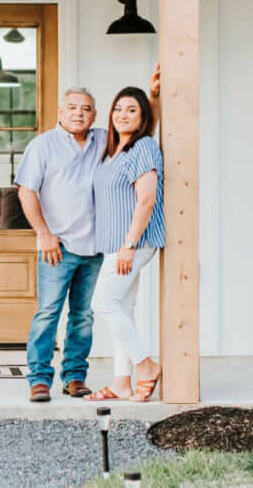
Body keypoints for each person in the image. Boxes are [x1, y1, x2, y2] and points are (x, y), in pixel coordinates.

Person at [15, 66, 159, 403]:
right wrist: (44, 234)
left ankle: (75, 377)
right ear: (60, 112)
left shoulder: (103, 141)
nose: (78, 113)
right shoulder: (43, 146)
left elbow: (142, 129)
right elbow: (25, 192)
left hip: (96, 248)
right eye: (72, 108)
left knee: (85, 315)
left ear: (95, 115)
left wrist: (153, 98)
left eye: (85, 108)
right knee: (49, 313)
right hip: (57, 247)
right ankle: (39, 379)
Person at [85, 85, 165, 403]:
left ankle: (146, 366)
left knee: (102, 304)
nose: (123, 115)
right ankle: (121, 382)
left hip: (133, 243)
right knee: (122, 309)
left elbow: (146, 199)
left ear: (143, 116)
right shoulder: (115, 149)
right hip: (115, 244)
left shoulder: (143, 146)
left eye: (132, 109)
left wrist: (129, 245)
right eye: (118, 108)